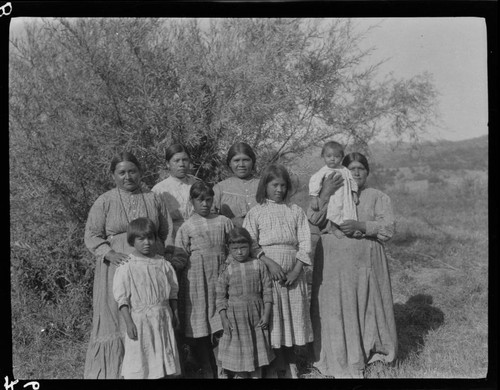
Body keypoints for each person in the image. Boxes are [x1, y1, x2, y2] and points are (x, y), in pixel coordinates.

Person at [307, 152, 397, 378]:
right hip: (333, 263)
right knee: (335, 308)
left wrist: (361, 225)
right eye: (352, 168)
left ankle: (376, 355)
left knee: (369, 307)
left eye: (361, 168)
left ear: (367, 172)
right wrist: (326, 192)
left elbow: (388, 228)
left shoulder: (377, 196)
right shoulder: (329, 192)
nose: (356, 172)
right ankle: (334, 356)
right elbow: (313, 220)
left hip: (366, 261)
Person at [84, 151, 171, 379]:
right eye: (121, 172)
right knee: (116, 313)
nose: (127, 176)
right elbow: (92, 235)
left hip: (149, 267)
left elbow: (166, 232)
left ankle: (151, 370)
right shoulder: (105, 200)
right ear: (113, 175)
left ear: (140, 172)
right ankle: (114, 373)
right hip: (115, 267)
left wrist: (162, 257)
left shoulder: (153, 198)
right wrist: (109, 252)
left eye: (132, 171)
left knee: (147, 314)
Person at [243, 164, 313, 378]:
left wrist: (296, 271)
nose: (280, 190)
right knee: (273, 316)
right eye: (275, 185)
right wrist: (269, 263)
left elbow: (305, 242)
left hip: (293, 271)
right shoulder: (256, 212)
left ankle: (291, 362)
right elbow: (251, 243)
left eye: (283, 185)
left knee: (293, 315)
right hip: (267, 271)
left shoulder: (295, 210)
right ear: (265, 186)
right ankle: (275, 363)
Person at [171, 181, 234, 378]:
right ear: (192, 202)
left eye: (208, 199)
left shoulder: (223, 221)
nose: (205, 204)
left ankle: (224, 367)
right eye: (200, 200)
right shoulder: (187, 226)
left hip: (219, 276)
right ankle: (207, 367)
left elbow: (233, 246)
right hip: (196, 281)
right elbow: (181, 253)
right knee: (201, 325)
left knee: (221, 322)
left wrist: (229, 266)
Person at [113, 217, 181, 379]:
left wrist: (175, 314)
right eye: (141, 239)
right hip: (140, 321)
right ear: (132, 241)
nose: (147, 243)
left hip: (162, 317)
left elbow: (173, 292)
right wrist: (129, 323)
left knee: (163, 355)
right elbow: (122, 299)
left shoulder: (163, 264)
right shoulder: (127, 265)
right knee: (142, 359)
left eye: (150, 238)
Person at [216, 227, 274, 379]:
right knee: (239, 352)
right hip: (236, 317)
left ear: (250, 246)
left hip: (256, 315)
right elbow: (220, 296)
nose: (240, 252)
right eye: (235, 249)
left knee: (256, 353)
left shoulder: (258, 265)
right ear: (229, 249)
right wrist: (224, 318)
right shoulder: (227, 269)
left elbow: (267, 291)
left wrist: (266, 314)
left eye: (243, 247)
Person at [152, 143, 198, 255]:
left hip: (198, 235)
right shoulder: (159, 190)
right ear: (168, 164)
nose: (181, 164)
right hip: (173, 239)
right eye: (176, 161)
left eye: (185, 160)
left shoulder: (197, 184)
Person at [309, 141, 359, 238]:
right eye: (329, 156)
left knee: (348, 212)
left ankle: (351, 231)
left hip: (345, 196)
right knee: (334, 211)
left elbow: (351, 181)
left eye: (336, 156)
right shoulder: (324, 171)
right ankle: (334, 228)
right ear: (323, 156)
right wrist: (314, 197)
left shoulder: (345, 170)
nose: (332, 159)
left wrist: (354, 192)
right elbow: (314, 182)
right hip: (333, 197)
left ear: (341, 157)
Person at [213, 142, 259, 228]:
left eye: (246, 160)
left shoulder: (263, 185)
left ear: (252, 162)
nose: (241, 165)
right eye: (236, 160)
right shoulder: (219, 188)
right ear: (230, 163)